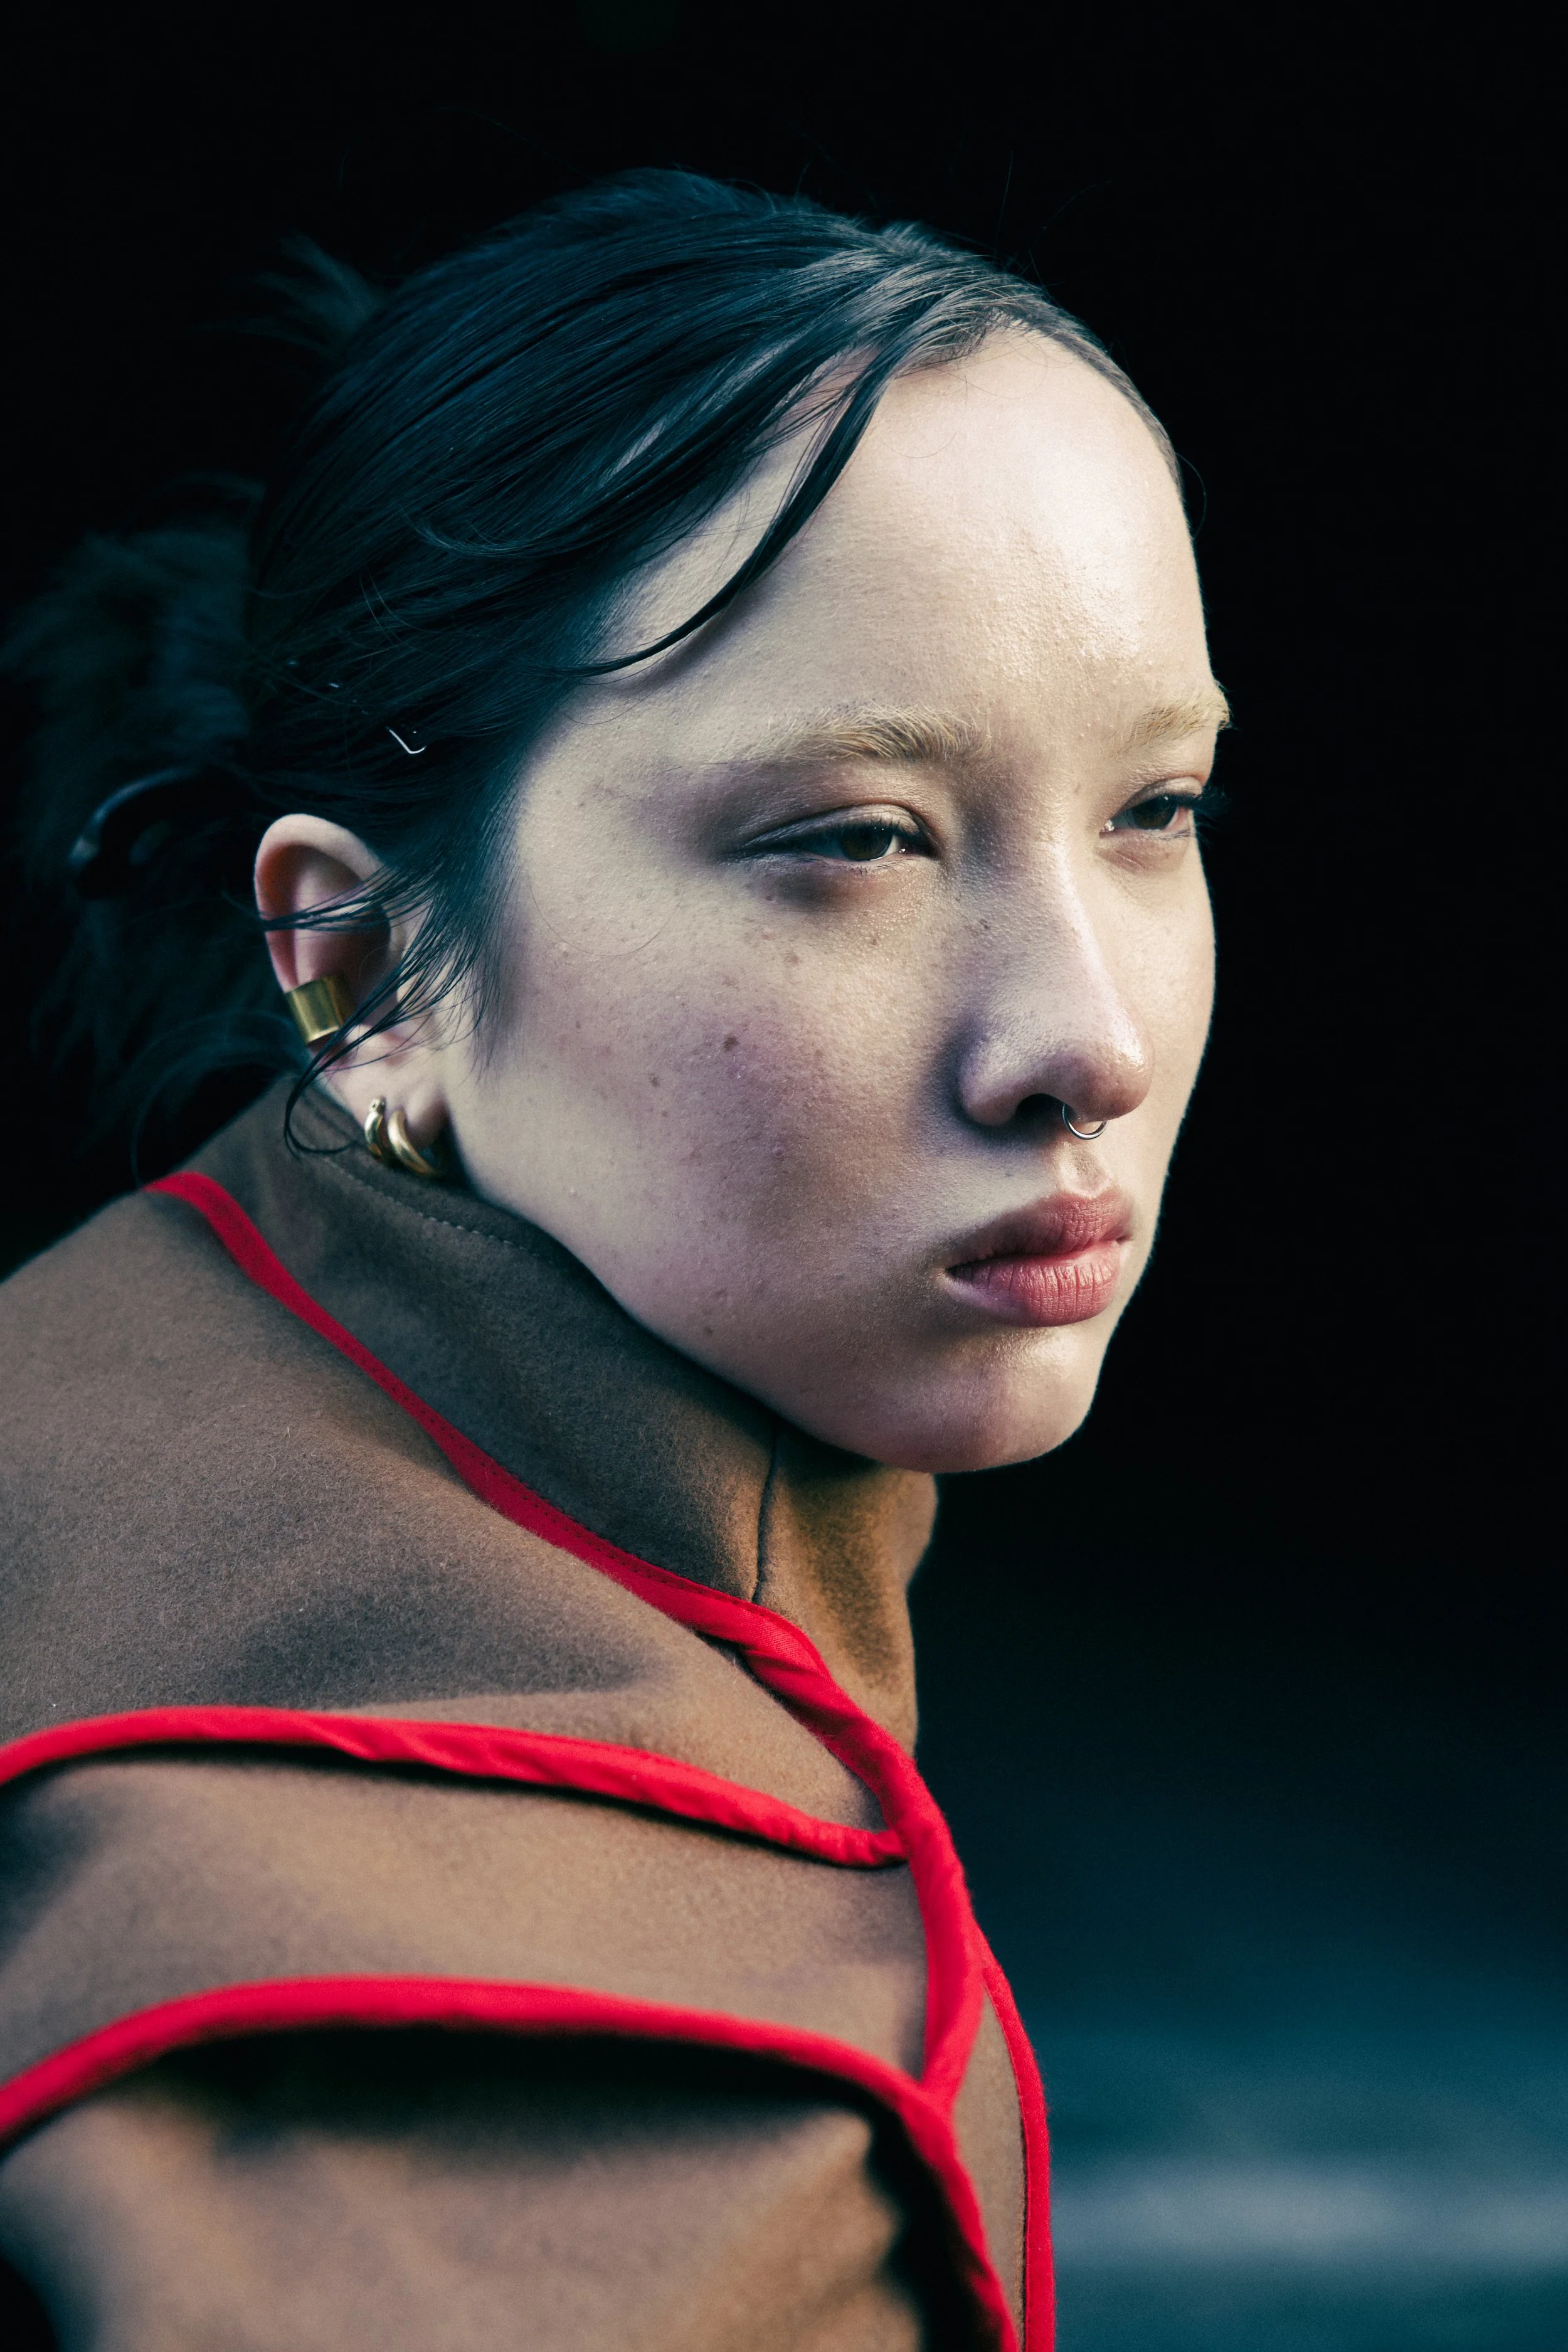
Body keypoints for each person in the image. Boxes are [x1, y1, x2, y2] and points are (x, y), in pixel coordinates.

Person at [0, 171, 1224, 2350]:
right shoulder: (655, 2094)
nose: (1087, 1040)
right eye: (853, 837)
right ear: (358, 956)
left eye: (1155, 810)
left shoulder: (91, 1357)